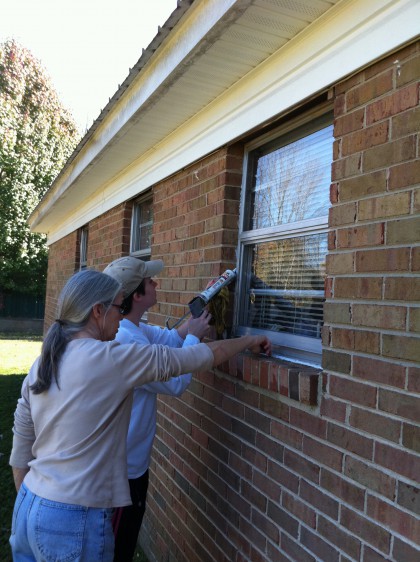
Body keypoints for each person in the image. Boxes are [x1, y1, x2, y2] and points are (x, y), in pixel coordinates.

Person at [9, 268, 271, 562]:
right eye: (118, 308)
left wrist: (34, 498)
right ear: (97, 311)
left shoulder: (45, 359)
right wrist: (250, 341)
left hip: (29, 506)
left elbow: (21, 441)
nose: (122, 316)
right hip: (73, 518)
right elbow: (196, 358)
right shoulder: (110, 359)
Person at [103, 256, 211, 561]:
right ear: (136, 295)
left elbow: (170, 339)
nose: (156, 283)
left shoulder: (132, 328)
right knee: (117, 549)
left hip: (131, 465)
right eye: (150, 281)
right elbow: (175, 383)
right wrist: (196, 337)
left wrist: (204, 302)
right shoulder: (127, 343)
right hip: (123, 474)